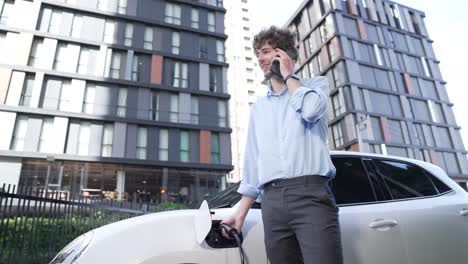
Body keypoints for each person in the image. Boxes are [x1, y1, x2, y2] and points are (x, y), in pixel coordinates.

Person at [221, 26, 343, 264]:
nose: (260, 59)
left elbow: (310, 111)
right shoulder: (259, 108)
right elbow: (254, 163)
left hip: (311, 195)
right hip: (272, 202)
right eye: (258, 54)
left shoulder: (314, 87)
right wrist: (241, 212)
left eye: (266, 52)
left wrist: (289, 76)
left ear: (284, 55)